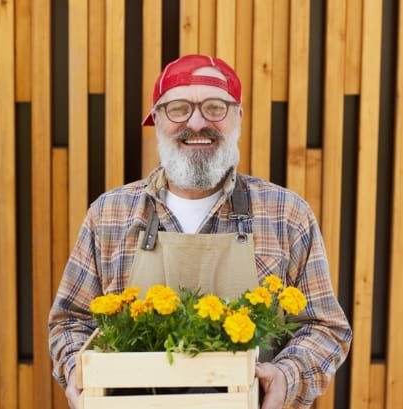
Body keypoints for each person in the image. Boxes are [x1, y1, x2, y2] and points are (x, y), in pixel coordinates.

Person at [49, 54, 352, 409]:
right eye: (178, 109)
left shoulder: (286, 214)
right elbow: (71, 321)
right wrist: (78, 371)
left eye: (214, 108)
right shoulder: (109, 214)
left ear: (238, 117)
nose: (196, 123)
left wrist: (286, 376)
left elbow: (325, 327)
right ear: (157, 119)